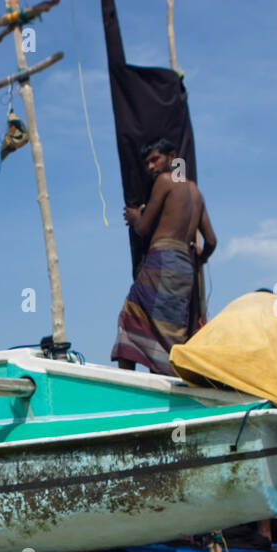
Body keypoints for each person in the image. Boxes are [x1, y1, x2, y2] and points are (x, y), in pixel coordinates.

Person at [112, 137, 216, 374]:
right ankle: (171, 384)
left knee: (129, 319)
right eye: (147, 163)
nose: (151, 167)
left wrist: (135, 217)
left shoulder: (165, 181)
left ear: (172, 157)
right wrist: (202, 256)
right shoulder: (195, 192)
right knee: (170, 329)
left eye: (155, 159)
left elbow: (144, 228)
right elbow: (211, 240)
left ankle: (128, 385)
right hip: (184, 268)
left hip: (162, 260)